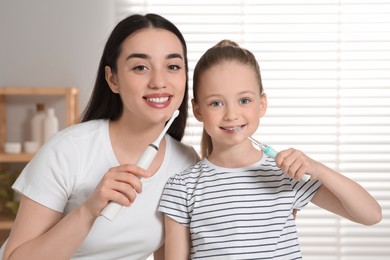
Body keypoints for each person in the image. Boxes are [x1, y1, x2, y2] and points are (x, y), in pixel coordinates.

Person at [158, 40, 382, 259]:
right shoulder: (183, 187)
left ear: (261, 104)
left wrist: (317, 169)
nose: (231, 114)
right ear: (197, 110)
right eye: (216, 103)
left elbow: (371, 215)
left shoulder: (285, 174)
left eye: (244, 100)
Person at [1, 13, 199, 259]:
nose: (159, 82)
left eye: (172, 66)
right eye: (140, 67)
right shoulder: (67, 150)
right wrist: (88, 210)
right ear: (112, 79)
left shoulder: (186, 163)